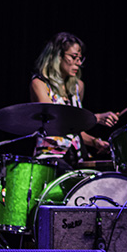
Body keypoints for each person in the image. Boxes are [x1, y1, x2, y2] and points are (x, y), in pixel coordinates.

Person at [30, 32, 118, 161]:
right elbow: (54, 122)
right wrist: (95, 118)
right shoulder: (40, 84)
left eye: (80, 58)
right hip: (51, 157)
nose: (78, 63)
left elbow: (74, 130)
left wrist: (94, 142)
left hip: (76, 157)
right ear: (57, 56)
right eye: (74, 57)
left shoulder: (78, 87)